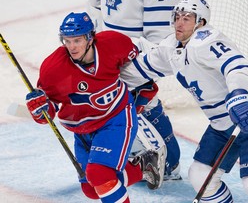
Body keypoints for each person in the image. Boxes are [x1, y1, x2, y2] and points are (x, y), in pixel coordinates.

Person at [122, 0, 248, 202]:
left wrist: (238, 95)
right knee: (201, 177)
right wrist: (98, 82)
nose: (180, 22)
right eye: (177, 17)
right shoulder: (171, 47)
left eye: (187, 18)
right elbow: (138, 70)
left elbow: (237, 66)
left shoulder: (207, 40)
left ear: (200, 22)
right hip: (222, 124)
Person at [25, 12, 166, 203]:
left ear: (90, 37)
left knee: (99, 174)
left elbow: (139, 68)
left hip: (115, 118)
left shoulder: (114, 43)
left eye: (77, 40)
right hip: (82, 130)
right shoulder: (53, 69)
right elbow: (48, 113)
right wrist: (39, 109)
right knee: (92, 189)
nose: (72, 47)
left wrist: (143, 94)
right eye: (67, 41)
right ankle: (143, 168)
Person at [87, 0, 182, 180]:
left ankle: (162, 162)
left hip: (130, 60)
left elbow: (162, 45)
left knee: (168, 163)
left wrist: (132, 69)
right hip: (111, 57)